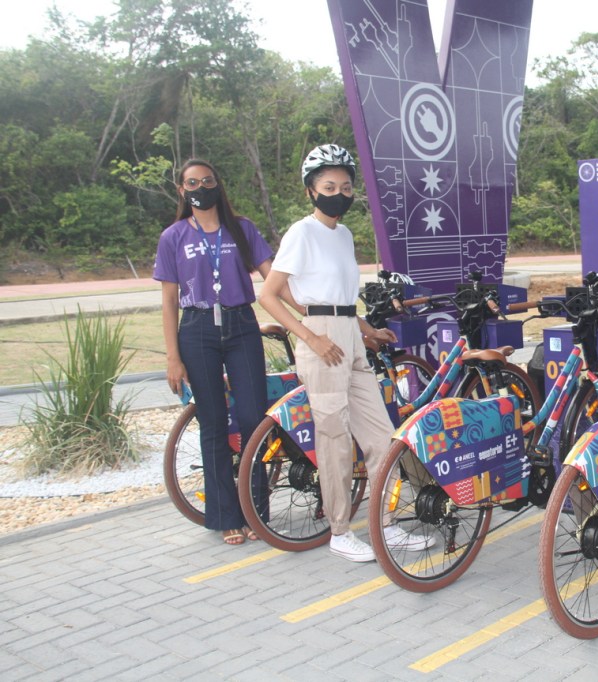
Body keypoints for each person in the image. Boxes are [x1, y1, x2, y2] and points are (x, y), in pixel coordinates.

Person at [258, 144, 433, 562]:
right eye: (328, 185)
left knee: (379, 437)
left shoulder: (345, 235)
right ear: (311, 192)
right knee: (334, 439)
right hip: (321, 340)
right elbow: (269, 294)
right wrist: (311, 335)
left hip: (348, 333)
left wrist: (366, 329)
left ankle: (383, 525)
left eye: (346, 186)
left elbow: (338, 298)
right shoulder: (302, 232)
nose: (338, 193)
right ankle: (339, 530)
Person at [155, 159, 284, 545]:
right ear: (182, 190)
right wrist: (173, 357)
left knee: (252, 418)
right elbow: (168, 301)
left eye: (207, 180)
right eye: (192, 182)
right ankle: (226, 515)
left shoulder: (241, 229)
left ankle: (255, 510)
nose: (200, 187)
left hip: (241, 326)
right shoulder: (173, 236)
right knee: (212, 424)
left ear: (217, 184)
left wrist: (308, 313)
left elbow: (271, 276)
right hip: (196, 332)